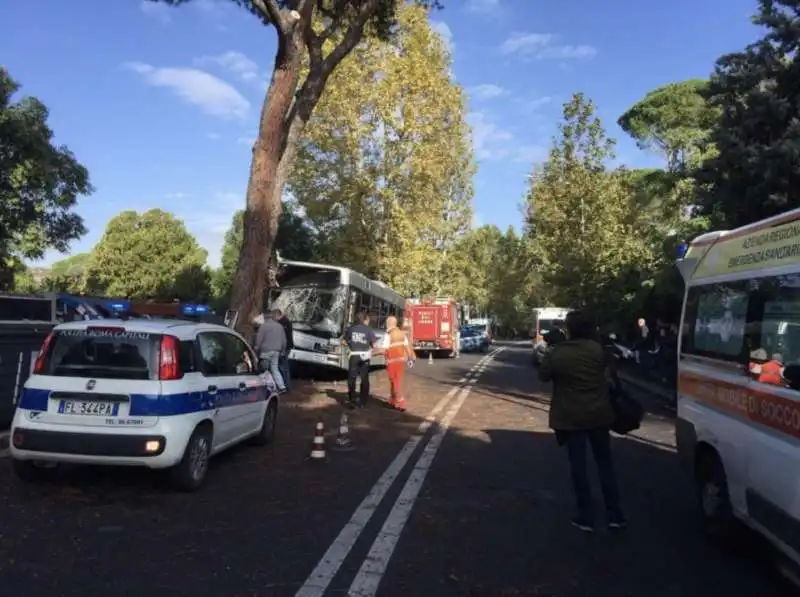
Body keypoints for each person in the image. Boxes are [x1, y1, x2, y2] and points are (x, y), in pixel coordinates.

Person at [539, 310, 626, 533]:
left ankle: (586, 516)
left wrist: (551, 349)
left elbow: (543, 375)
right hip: (599, 414)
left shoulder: (559, 352)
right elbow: (610, 373)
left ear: (569, 329)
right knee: (605, 464)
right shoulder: (598, 349)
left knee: (579, 467)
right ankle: (615, 514)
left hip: (571, 416)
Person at [378, 315, 416, 411]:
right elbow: (407, 348)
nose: (386, 325)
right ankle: (392, 400)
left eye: (387, 323)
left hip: (392, 362)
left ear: (389, 324)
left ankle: (400, 402)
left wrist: (372, 352)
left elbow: (384, 349)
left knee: (395, 382)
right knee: (395, 381)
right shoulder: (401, 334)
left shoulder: (389, 335)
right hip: (400, 362)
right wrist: (411, 359)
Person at [342, 312, 379, 409]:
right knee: (364, 379)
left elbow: (343, 342)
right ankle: (363, 402)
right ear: (365, 320)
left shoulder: (351, 329)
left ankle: (352, 400)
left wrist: (350, 344)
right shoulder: (369, 330)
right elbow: (374, 345)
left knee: (352, 378)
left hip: (353, 356)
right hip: (364, 357)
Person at [254, 309, 287, 393]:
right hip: (276, 351)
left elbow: (259, 339)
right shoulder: (280, 327)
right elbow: (284, 340)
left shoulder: (264, 326)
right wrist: (283, 350)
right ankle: (282, 386)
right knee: (275, 369)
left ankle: (263, 387)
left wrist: (257, 348)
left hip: (265, 351)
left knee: (264, 370)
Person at [276, 309, 294, 391]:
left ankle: (284, 385)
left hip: (284, 347)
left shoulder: (283, 323)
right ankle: (286, 385)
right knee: (284, 366)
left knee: (282, 366)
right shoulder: (287, 322)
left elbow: (283, 338)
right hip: (287, 347)